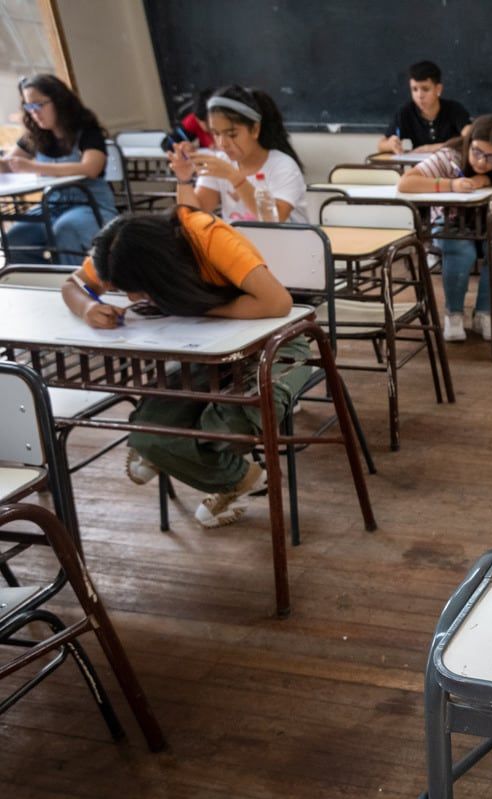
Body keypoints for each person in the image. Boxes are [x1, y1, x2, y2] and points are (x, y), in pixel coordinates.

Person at [59, 206, 307, 529]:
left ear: (158, 266)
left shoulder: (206, 237)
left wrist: (198, 308)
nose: (132, 296)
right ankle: (241, 477)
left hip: (274, 347)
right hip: (204, 356)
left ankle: (219, 472)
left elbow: (277, 302)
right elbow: (72, 286)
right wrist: (88, 306)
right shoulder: (120, 250)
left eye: (137, 287)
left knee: (222, 430)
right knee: (150, 438)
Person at [396, 114, 492, 342]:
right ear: (468, 142)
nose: (482, 162)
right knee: (461, 249)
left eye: (491, 157)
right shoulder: (449, 156)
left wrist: (489, 183)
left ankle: (484, 313)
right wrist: (450, 184)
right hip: (450, 220)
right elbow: (405, 183)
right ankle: (453, 315)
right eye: (477, 152)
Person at [0, 74, 117, 264]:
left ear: (59, 101)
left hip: (90, 204)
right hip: (53, 205)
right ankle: (48, 284)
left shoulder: (87, 131)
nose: (34, 112)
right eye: (29, 107)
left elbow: (91, 168)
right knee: (14, 239)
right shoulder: (35, 136)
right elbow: (7, 165)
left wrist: (33, 166)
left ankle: (75, 286)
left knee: (65, 231)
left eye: (39, 105)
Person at [167, 84, 308, 224]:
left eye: (232, 134)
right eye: (215, 133)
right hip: (238, 246)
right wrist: (183, 179)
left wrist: (234, 176)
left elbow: (273, 220)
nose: (222, 143)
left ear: (254, 130)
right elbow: (194, 216)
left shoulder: (282, 166)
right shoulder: (220, 162)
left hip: (284, 245)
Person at [376, 60, 472, 155]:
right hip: (419, 167)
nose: (420, 95)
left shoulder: (454, 109)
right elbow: (381, 145)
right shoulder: (406, 112)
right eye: (414, 89)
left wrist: (433, 148)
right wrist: (390, 144)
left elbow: (470, 137)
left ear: (438, 89)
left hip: (451, 166)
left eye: (425, 89)